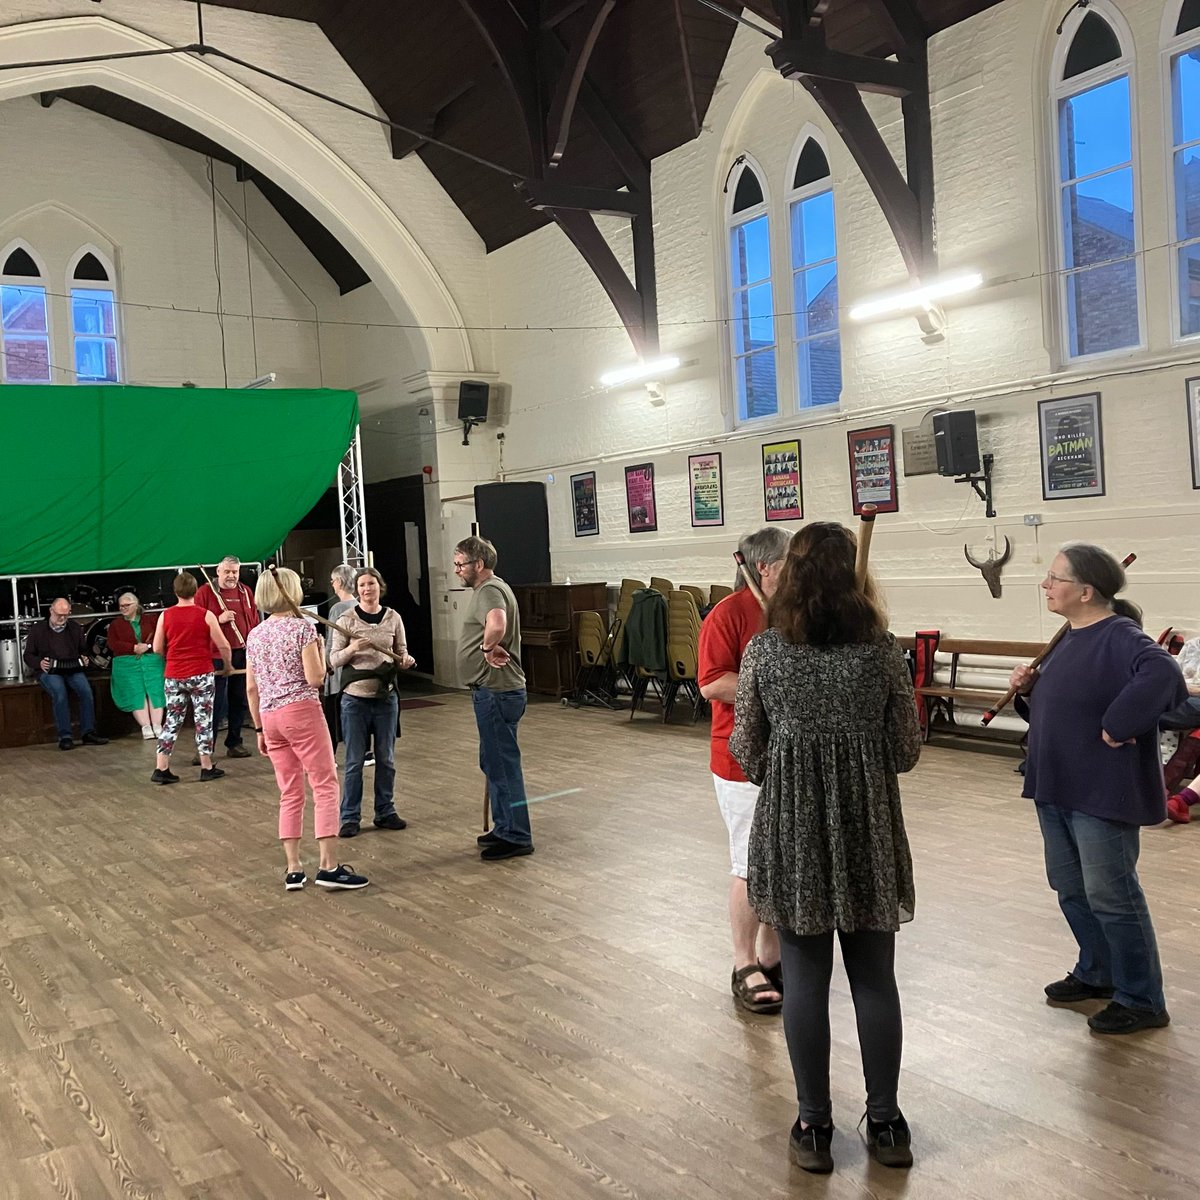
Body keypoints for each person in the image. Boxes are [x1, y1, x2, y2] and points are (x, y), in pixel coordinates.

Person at [729, 522, 920, 1174]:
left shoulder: (765, 653)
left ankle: (813, 1126)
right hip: (867, 828)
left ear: (788, 577)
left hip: (793, 829)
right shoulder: (882, 652)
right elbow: (906, 751)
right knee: (874, 979)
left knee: (805, 981)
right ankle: (888, 1123)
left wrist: (793, 759)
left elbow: (746, 753)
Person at [1010, 543, 1184, 1035]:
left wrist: (1120, 722)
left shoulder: (1120, 635)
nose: (1046, 585)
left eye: (1054, 577)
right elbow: (1061, 708)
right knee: (1071, 887)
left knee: (1112, 894)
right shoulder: (1070, 635)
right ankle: (1099, 971)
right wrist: (1029, 693)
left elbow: (1164, 674)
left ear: (1085, 591)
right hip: (1057, 782)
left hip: (1101, 789)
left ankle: (1142, 999)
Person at [698, 526, 791, 1015]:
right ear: (765, 568)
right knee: (751, 863)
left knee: (779, 860)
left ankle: (773, 955)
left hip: (790, 757)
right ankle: (743, 962)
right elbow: (712, 684)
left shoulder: (791, 614)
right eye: (790, 562)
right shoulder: (728, 614)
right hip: (740, 759)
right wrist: (777, 687)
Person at [245, 567, 368, 891]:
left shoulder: (255, 635)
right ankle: (328, 866)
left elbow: (251, 689)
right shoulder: (302, 629)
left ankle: (294, 868)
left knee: (290, 791)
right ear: (291, 592)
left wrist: (258, 729)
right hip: (300, 711)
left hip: (270, 718)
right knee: (325, 784)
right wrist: (318, 650)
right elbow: (315, 679)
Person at [455, 536, 533, 861]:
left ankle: (516, 835)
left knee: (502, 765)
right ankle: (504, 826)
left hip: (496, 691)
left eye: (461, 564)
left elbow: (497, 623)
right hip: (492, 691)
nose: (457, 570)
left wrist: (487, 649)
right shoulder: (491, 588)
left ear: (479, 564)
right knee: (493, 761)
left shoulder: (489, 590)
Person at [329, 567, 415, 838]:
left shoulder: (393, 618)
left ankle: (385, 811)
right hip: (355, 701)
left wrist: (405, 660)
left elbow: (401, 651)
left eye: (372, 584)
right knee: (354, 762)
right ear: (356, 590)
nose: (367, 589)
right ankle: (349, 817)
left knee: (386, 759)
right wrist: (353, 649)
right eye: (362, 585)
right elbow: (332, 661)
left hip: (386, 699)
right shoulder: (346, 619)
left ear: (380, 586)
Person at [152, 571, 233, 785]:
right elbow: (223, 645)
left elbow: (157, 647)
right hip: (201, 673)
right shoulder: (206, 615)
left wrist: (171, 659)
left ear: (175, 591)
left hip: (174, 675)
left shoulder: (165, 615)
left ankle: (161, 767)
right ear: (196, 591)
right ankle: (206, 766)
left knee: (172, 721)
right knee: (203, 720)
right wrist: (227, 666)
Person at [22, 596, 109, 750]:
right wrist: (39, 663)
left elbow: (83, 651)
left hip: (72, 668)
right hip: (49, 670)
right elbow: (28, 655)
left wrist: (85, 659)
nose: (62, 618)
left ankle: (88, 732)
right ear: (51, 611)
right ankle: (65, 736)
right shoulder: (38, 630)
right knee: (59, 692)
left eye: (66, 615)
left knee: (86, 691)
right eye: (59, 615)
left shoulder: (75, 628)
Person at [196, 556, 260, 759]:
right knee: (214, 703)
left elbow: (255, 620)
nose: (231, 576)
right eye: (227, 572)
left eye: (235, 572)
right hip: (215, 655)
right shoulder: (205, 592)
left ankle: (234, 742)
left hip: (242, 652)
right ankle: (207, 748)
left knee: (240, 700)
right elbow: (195, 622)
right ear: (218, 571)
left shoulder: (246, 592)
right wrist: (218, 619)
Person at [107, 593, 166, 739]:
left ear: (136, 605)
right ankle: (145, 726)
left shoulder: (151, 620)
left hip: (151, 660)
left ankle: (158, 725)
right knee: (135, 690)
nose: (123, 608)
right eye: (121, 606)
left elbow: (161, 638)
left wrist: (148, 646)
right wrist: (133, 648)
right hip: (128, 663)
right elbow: (113, 644)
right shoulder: (116, 624)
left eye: (127, 605)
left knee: (155, 689)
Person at [322, 564, 358, 752]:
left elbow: (332, 641)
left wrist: (326, 665)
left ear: (339, 582)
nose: (332, 584)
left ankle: (331, 755)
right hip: (354, 671)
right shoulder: (359, 605)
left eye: (333, 580)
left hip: (338, 671)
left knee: (333, 715)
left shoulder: (338, 608)